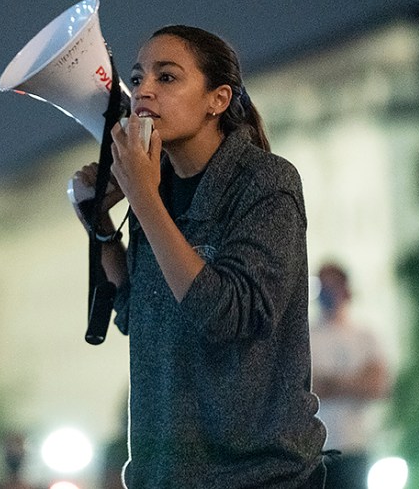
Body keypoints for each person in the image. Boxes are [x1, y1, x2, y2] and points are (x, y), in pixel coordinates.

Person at [71, 25, 327, 488]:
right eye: (138, 76)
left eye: (166, 78)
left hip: (257, 478)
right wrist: (102, 224)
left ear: (219, 99)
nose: (142, 90)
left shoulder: (265, 183)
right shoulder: (157, 185)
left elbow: (228, 316)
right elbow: (139, 314)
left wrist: (143, 200)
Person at [310, 263, 391, 489]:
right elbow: (307, 388)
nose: (326, 292)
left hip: (355, 448)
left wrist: (330, 383)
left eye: (331, 285)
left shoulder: (366, 337)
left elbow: (377, 386)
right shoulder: (307, 337)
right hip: (316, 453)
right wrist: (355, 380)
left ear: (345, 289)